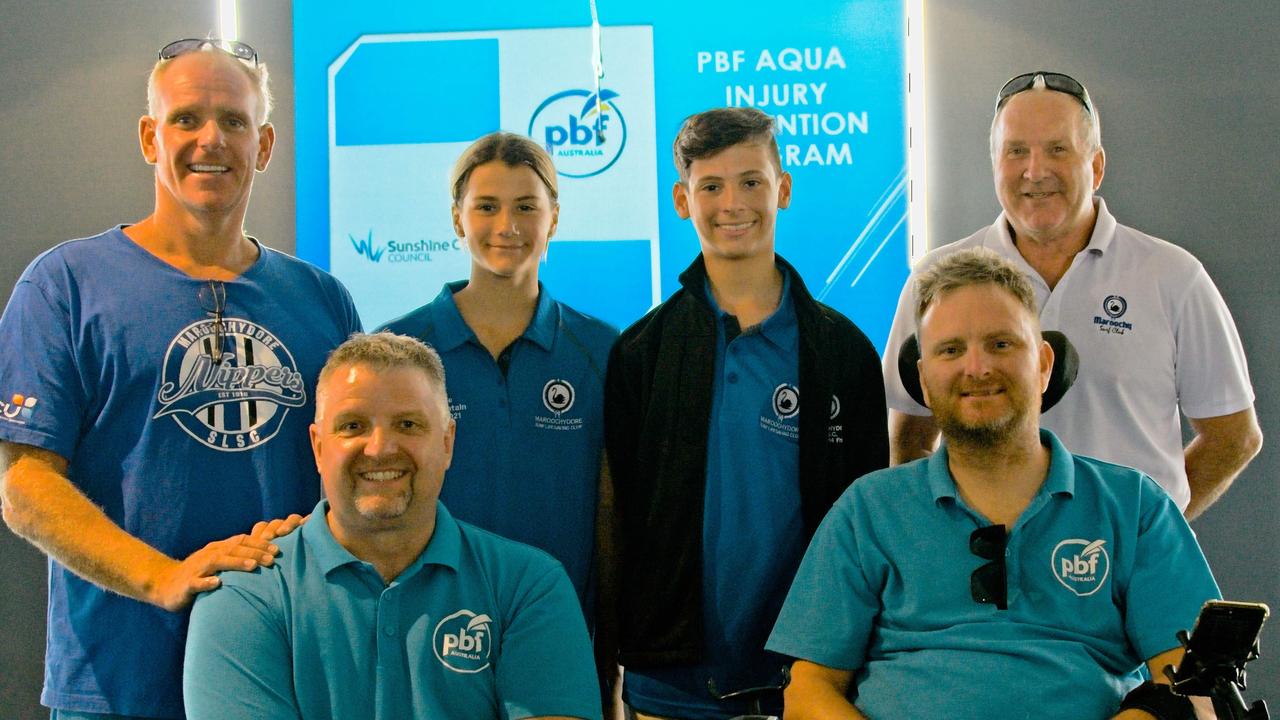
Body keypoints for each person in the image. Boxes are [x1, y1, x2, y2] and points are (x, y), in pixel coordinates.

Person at [0, 39, 361, 719]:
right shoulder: (64, 286)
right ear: (148, 137)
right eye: (186, 118)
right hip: (118, 684)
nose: (209, 140)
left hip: (283, 679)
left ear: (264, 145)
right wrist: (164, 578)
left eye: (233, 121)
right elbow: (24, 485)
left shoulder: (323, 301)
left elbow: (349, 473)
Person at [768, 248, 1219, 719]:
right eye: (951, 349)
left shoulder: (1135, 507)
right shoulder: (868, 510)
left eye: (1001, 344)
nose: (977, 368)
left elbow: (1194, 688)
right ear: (922, 379)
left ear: (1044, 364)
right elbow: (809, 690)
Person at [603, 107, 888, 719]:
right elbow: (619, 521)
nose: (733, 202)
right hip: (670, 682)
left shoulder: (844, 355)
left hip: (811, 679)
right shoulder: (639, 355)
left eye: (751, 181)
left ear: (782, 189)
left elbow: (869, 529)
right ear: (683, 200)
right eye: (711, 185)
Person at [882, 71, 1261, 519]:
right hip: (985, 566)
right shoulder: (936, 280)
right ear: (995, 164)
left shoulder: (1173, 276)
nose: (1035, 171)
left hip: (1130, 579)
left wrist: (1154, 530)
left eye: (1057, 149)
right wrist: (940, 535)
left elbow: (1234, 435)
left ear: (1096, 166)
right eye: (1016, 151)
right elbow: (909, 436)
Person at [183, 332, 601, 720]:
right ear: (317, 446)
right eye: (352, 426)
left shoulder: (529, 585)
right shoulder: (243, 594)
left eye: (408, 424)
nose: (380, 448)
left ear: (447, 442)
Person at [378, 132, 616, 622]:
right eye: (486, 206)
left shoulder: (602, 351)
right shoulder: (397, 349)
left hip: (558, 630)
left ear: (554, 218)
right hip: (425, 627)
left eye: (526, 207)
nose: (507, 226)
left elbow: (614, 518)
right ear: (456, 219)